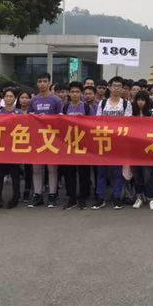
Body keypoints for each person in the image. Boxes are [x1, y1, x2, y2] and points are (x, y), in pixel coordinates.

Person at [93, 76, 131, 210]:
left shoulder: (126, 104)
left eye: (119, 86)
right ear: (109, 87)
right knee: (101, 172)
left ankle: (116, 197)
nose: (117, 88)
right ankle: (100, 197)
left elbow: (128, 123)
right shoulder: (103, 103)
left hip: (119, 142)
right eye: (114, 86)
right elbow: (97, 121)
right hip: (104, 141)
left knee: (118, 172)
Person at [27, 73, 63, 208]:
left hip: (52, 138)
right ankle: (37, 194)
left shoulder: (56, 100)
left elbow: (61, 119)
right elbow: (28, 118)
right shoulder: (33, 100)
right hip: (37, 139)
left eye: (44, 81)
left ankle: (52, 195)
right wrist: (32, 116)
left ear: (49, 82)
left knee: (52, 168)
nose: (42, 84)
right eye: (39, 81)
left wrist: (48, 118)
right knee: (36, 168)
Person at [61, 81, 94, 210]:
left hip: (84, 144)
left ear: (81, 94)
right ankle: (71, 197)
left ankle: (83, 197)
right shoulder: (65, 107)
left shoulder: (87, 108)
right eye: (72, 92)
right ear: (69, 93)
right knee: (69, 172)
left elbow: (93, 125)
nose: (75, 94)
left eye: (77, 92)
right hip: (69, 144)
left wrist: (84, 120)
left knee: (84, 172)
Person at [130, 90, 153, 211]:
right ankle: (139, 197)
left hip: (148, 148)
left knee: (148, 175)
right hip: (134, 148)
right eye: (138, 100)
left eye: (143, 100)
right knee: (137, 175)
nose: (140, 102)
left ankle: (151, 198)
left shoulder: (152, 113)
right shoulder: (131, 113)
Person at [0, 88, 22, 209]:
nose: (8, 98)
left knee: (15, 174)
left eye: (11, 96)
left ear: (15, 99)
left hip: (15, 148)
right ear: (3, 98)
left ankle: (15, 198)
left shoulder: (20, 113)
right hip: (1, 148)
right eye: (6, 96)